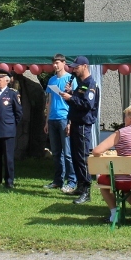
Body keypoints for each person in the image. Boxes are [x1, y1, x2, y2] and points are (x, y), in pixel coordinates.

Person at [91, 104, 131, 224]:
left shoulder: (120, 133)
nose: (124, 119)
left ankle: (113, 214)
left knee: (101, 180)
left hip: (124, 179)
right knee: (127, 185)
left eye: (125, 116)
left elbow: (96, 151)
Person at [61, 56, 99, 205]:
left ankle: (86, 191)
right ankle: (80, 186)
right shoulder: (81, 84)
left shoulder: (90, 84)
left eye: (77, 67)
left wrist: (71, 98)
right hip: (76, 123)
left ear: (85, 66)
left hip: (83, 125)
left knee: (82, 158)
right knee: (76, 157)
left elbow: (87, 104)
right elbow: (77, 103)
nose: (74, 69)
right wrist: (70, 94)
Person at [44, 54, 78, 193]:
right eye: (54, 63)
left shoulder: (71, 79)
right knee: (56, 153)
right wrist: (46, 121)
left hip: (65, 118)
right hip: (52, 119)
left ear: (64, 63)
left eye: (57, 63)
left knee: (68, 153)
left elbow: (75, 101)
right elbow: (49, 101)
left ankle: (72, 181)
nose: (55, 65)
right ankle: (58, 181)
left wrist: (70, 122)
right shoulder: (51, 80)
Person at [0, 71, 22, 188]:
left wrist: (11, 125)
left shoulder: (12, 94)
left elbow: (18, 113)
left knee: (8, 157)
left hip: (7, 130)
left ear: (6, 80)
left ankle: (9, 181)